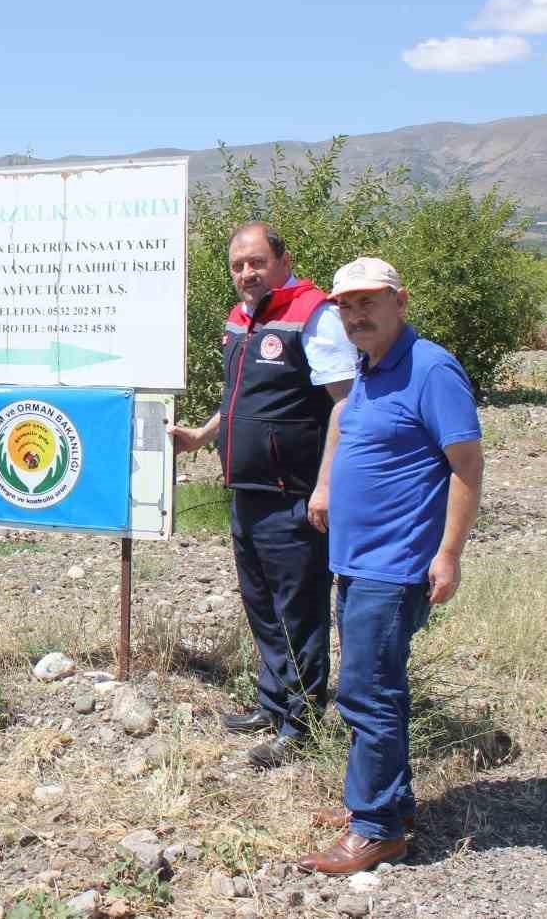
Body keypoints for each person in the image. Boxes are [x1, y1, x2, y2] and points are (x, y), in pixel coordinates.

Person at [296, 257, 483, 875]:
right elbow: (348, 431)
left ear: (400, 302)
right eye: (346, 306)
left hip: (395, 563)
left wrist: (448, 553)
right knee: (379, 689)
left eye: (369, 302)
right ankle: (388, 803)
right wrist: (326, 488)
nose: (356, 315)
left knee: (366, 693)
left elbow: (466, 467)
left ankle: (375, 828)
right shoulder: (368, 367)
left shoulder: (431, 369)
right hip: (356, 558)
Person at [171, 223, 356, 767]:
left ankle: (300, 723)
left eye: (256, 262)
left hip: (294, 492)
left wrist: (326, 485)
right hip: (247, 486)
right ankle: (271, 703)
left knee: (298, 608)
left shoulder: (314, 316)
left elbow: (345, 406)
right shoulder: (242, 318)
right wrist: (204, 435)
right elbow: (240, 395)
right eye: (237, 265)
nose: (246, 274)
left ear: (283, 260)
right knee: (261, 602)